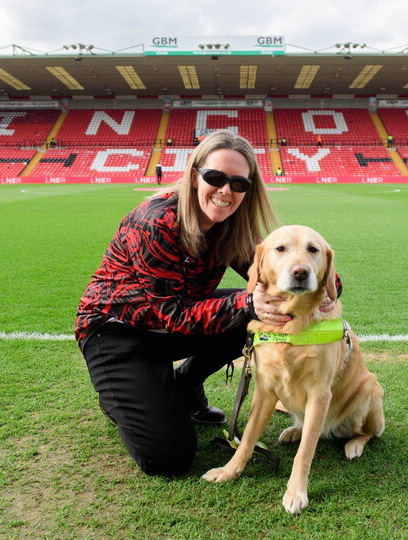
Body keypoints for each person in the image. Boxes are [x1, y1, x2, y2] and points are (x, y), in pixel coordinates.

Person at [76, 130, 285, 477]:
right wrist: (248, 303)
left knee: (243, 314)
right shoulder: (157, 221)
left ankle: (185, 384)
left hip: (175, 318)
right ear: (194, 175)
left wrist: (322, 287)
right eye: (215, 177)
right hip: (115, 332)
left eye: (238, 183)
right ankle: (120, 395)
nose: (225, 191)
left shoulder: (232, 225)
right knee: (168, 459)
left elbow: (274, 271)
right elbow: (172, 315)